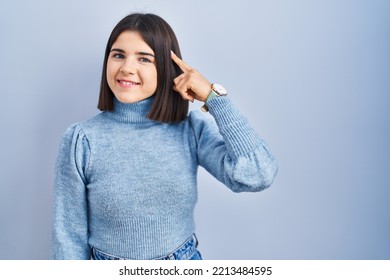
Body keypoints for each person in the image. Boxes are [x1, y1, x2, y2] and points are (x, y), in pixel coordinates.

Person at [52, 12, 278, 260]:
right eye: (118, 55)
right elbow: (68, 237)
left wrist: (214, 99)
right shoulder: (82, 139)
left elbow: (258, 174)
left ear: (165, 68)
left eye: (144, 59)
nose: (127, 68)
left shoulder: (191, 131)